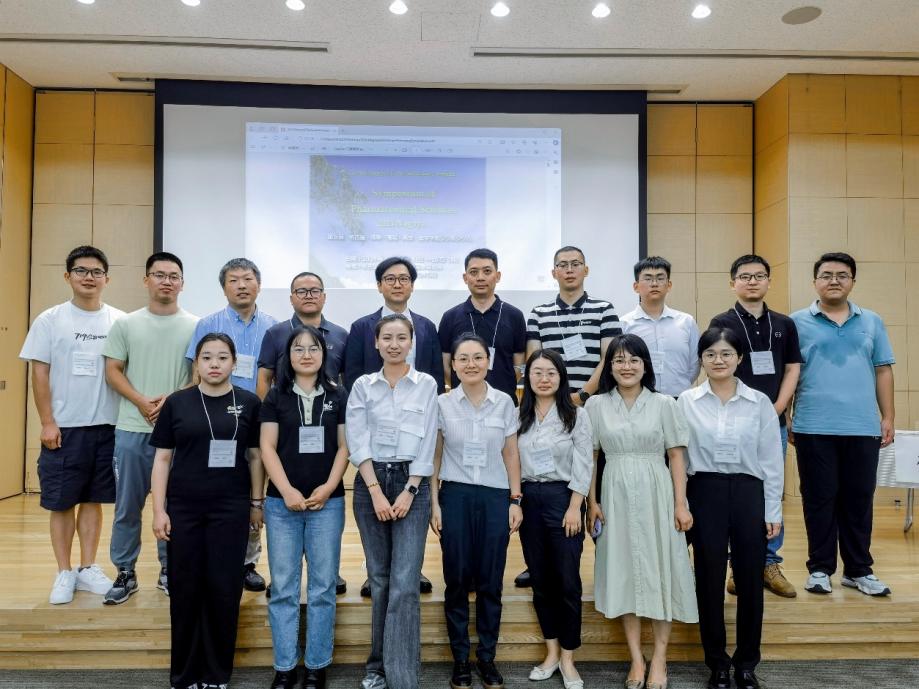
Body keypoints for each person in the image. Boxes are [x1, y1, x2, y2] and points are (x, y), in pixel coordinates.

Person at [150, 333, 264, 689]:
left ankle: (216, 674)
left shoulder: (249, 403)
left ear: (235, 363)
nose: (215, 364)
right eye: (207, 357)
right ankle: (184, 674)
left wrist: (256, 503)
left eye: (222, 357)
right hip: (183, 508)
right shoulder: (177, 403)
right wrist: (158, 511)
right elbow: (162, 459)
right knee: (185, 588)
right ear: (197, 363)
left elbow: (256, 457)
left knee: (224, 588)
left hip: (231, 508)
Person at [586, 334, 697, 689]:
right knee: (624, 573)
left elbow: (677, 455)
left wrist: (680, 503)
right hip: (614, 494)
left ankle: (660, 658)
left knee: (661, 570)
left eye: (633, 359)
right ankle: (636, 658)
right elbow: (591, 458)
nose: (626, 366)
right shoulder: (596, 405)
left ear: (645, 365)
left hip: (657, 492)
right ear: (609, 367)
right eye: (618, 360)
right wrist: (592, 502)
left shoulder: (665, 403)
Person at [19, 245, 124, 604]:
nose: (89, 277)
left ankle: (87, 567)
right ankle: (64, 572)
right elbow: (39, 373)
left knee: (93, 500)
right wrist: (47, 421)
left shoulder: (118, 321)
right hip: (64, 428)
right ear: (68, 276)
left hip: (107, 426)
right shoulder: (50, 320)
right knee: (62, 502)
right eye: (81, 271)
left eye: (96, 272)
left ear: (107, 278)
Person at [678, 328, 783, 689]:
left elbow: (771, 459)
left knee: (750, 579)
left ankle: (747, 663)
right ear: (701, 360)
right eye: (710, 354)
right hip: (704, 491)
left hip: (749, 492)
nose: (718, 360)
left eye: (725, 353)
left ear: (739, 358)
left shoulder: (759, 402)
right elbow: (679, 457)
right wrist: (682, 502)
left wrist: (773, 510)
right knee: (708, 578)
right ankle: (717, 663)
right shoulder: (687, 401)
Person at [790, 252, 895, 598]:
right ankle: (819, 569)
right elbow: (790, 372)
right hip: (813, 425)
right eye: (826, 275)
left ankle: (858, 570)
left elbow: (883, 369)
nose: (834, 280)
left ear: (852, 281)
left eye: (842, 275)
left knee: (859, 499)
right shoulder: (796, 322)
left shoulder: (872, 321)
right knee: (818, 499)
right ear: (814, 281)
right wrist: (787, 414)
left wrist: (888, 417)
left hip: (862, 426)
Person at [345, 314, 438, 689]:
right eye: (387, 337)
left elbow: (428, 440)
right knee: (380, 581)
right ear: (376, 343)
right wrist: (375, 492)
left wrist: (410, 489)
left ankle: (402, 676)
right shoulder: (363, 386)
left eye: (402, 337)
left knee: (404, 582)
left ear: (411, 343)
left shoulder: (426, 384)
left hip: (411, 484)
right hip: (371, 484)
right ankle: (377, 667)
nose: (394, 344)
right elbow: (357, 439)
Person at [102, 251, 198, 604]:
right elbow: (113, 370)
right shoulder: (126, 324)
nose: (166, 281)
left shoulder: (196, 325)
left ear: (182, 284)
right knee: (127, 506)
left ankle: (169, 568)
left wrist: (171, 403)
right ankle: (125, 572)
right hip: (132, 428)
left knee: (173, 505)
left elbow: (198, 376)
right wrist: (142, 401)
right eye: (159, 275)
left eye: (174, 276)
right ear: (146, 280)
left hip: (178, 434)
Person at [522, 245, 621, 588]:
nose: (569, 269)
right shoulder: (539, 313)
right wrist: (559, 397)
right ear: (553, 272)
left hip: (591, 404)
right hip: (549, 404)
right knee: (552, 471)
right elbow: (535, 361)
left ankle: (597, 560)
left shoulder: (603, 309)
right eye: (562, 265)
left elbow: (608, 357)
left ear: (585, 270)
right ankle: (540, 560)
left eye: (575, 264)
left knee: (592, 481)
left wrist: (581, 396)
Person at [344, 256, 443, 596]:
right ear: (379, 285)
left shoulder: (427, 327)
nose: (397, 283)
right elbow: (352, 375)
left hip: (413, 436)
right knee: (380, 559)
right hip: (376, 430)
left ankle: (413, 571)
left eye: (404, 278)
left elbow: (436, 376)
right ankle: (374, 574)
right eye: (390, 278)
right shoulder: (362, 326)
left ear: (412, 285)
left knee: (406, 558)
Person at [431, 334, 522, 689]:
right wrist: (435, 504)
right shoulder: (442, 404)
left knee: (490, 581)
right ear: (453, 365)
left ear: (488, 360)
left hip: (495, 496)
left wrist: (515, 500)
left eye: (478, 357)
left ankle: (486, 657)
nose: (471, 364)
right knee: (456, 580)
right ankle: (460, 660)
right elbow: (435, 456)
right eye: (463, 358)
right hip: (454, 495)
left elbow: (511, 453)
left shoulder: (504, 402)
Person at [260, 326, 349, 689]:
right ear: (288, 356)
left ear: (324, 355)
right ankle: (284, 666)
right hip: (282, 505)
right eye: (299, 349)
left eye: (314, 348)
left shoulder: (338, 394)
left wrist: (328, 487)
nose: (307, 354)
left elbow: (344, 447)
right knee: (283, 586)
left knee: (323, 587)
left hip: (328, 503)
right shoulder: (275, 396)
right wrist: (287, 491)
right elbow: (267, 448)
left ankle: (316, 664)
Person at [709, 254, 801, 598]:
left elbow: (792, 368)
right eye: (745, 276)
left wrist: (777, 408)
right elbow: (718, 367)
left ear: (768, 281)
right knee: (736, 492)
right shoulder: (722, 322)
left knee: (771, 489)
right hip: (733, 422)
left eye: (759, 276)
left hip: (772, 420)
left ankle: (769, 562)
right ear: (732, 282)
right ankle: (738, 565)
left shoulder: (784, 324)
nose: (752, 281)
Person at [186, 257, 278, 593]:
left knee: (254, 490)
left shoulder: (274, 327)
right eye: (234, 280)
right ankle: (208, 558)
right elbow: (194, 374)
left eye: (247, 278)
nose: (241, 285)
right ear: (224, 288)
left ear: (259, 285)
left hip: (258, 418)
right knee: (215, 486)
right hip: (215, 419)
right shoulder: (207, 324)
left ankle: (248, 562)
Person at [517, 349, 592, 689]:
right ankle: (551, 653)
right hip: (529, 499)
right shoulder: (518, 415)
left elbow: (584, 462)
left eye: (551, 372)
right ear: (528, 377)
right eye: (537, 372)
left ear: (561, 377)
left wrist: (576, 505)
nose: (544, 379)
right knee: (541, 580)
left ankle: (568, 658)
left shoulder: (576, 415)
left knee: (567, 581)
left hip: (565, 499)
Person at [438, 248, 527, 402]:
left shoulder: (514, 316)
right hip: (461, 402)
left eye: (487, 271)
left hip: (503, 402)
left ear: (497, 276)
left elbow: (519, 364)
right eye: (473, 272)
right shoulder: (450, 317)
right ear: (465, 278)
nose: (480, 277)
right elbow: (446, 365)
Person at [257, 272, 348, 398]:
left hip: (329, 408)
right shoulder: (275, 333)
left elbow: (347, 379)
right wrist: (265, 409)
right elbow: (264, 378)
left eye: (315, 291)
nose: (308, 296)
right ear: (291, 299)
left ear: (324, 297)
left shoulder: (341, 335)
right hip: (285, 407)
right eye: (301, 291)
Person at [621, 256, 700, 397]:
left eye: (660, 278)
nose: (654, 283)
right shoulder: (624, 324)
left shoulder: (686, 322)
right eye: (648, 278)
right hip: (640, 399)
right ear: (636, 286)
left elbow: (694, 365)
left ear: (669, 285)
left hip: (679, 399)